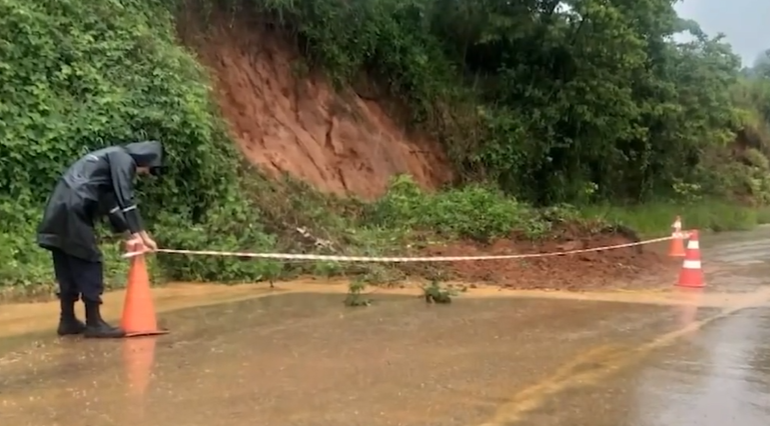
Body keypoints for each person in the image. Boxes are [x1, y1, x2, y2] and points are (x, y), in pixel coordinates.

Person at [36, 141, 164, 338]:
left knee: (66, 260)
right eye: (148, 169)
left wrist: (131, 233)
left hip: (59, 206)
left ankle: (67, 320)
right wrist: (143, 235)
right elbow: (125, 199)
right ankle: (94, 323)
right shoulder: (123, 158)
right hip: (75, 209)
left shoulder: (106, 161)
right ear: (145, 158)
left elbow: (111, 206)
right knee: (90, 260)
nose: (145, 173)